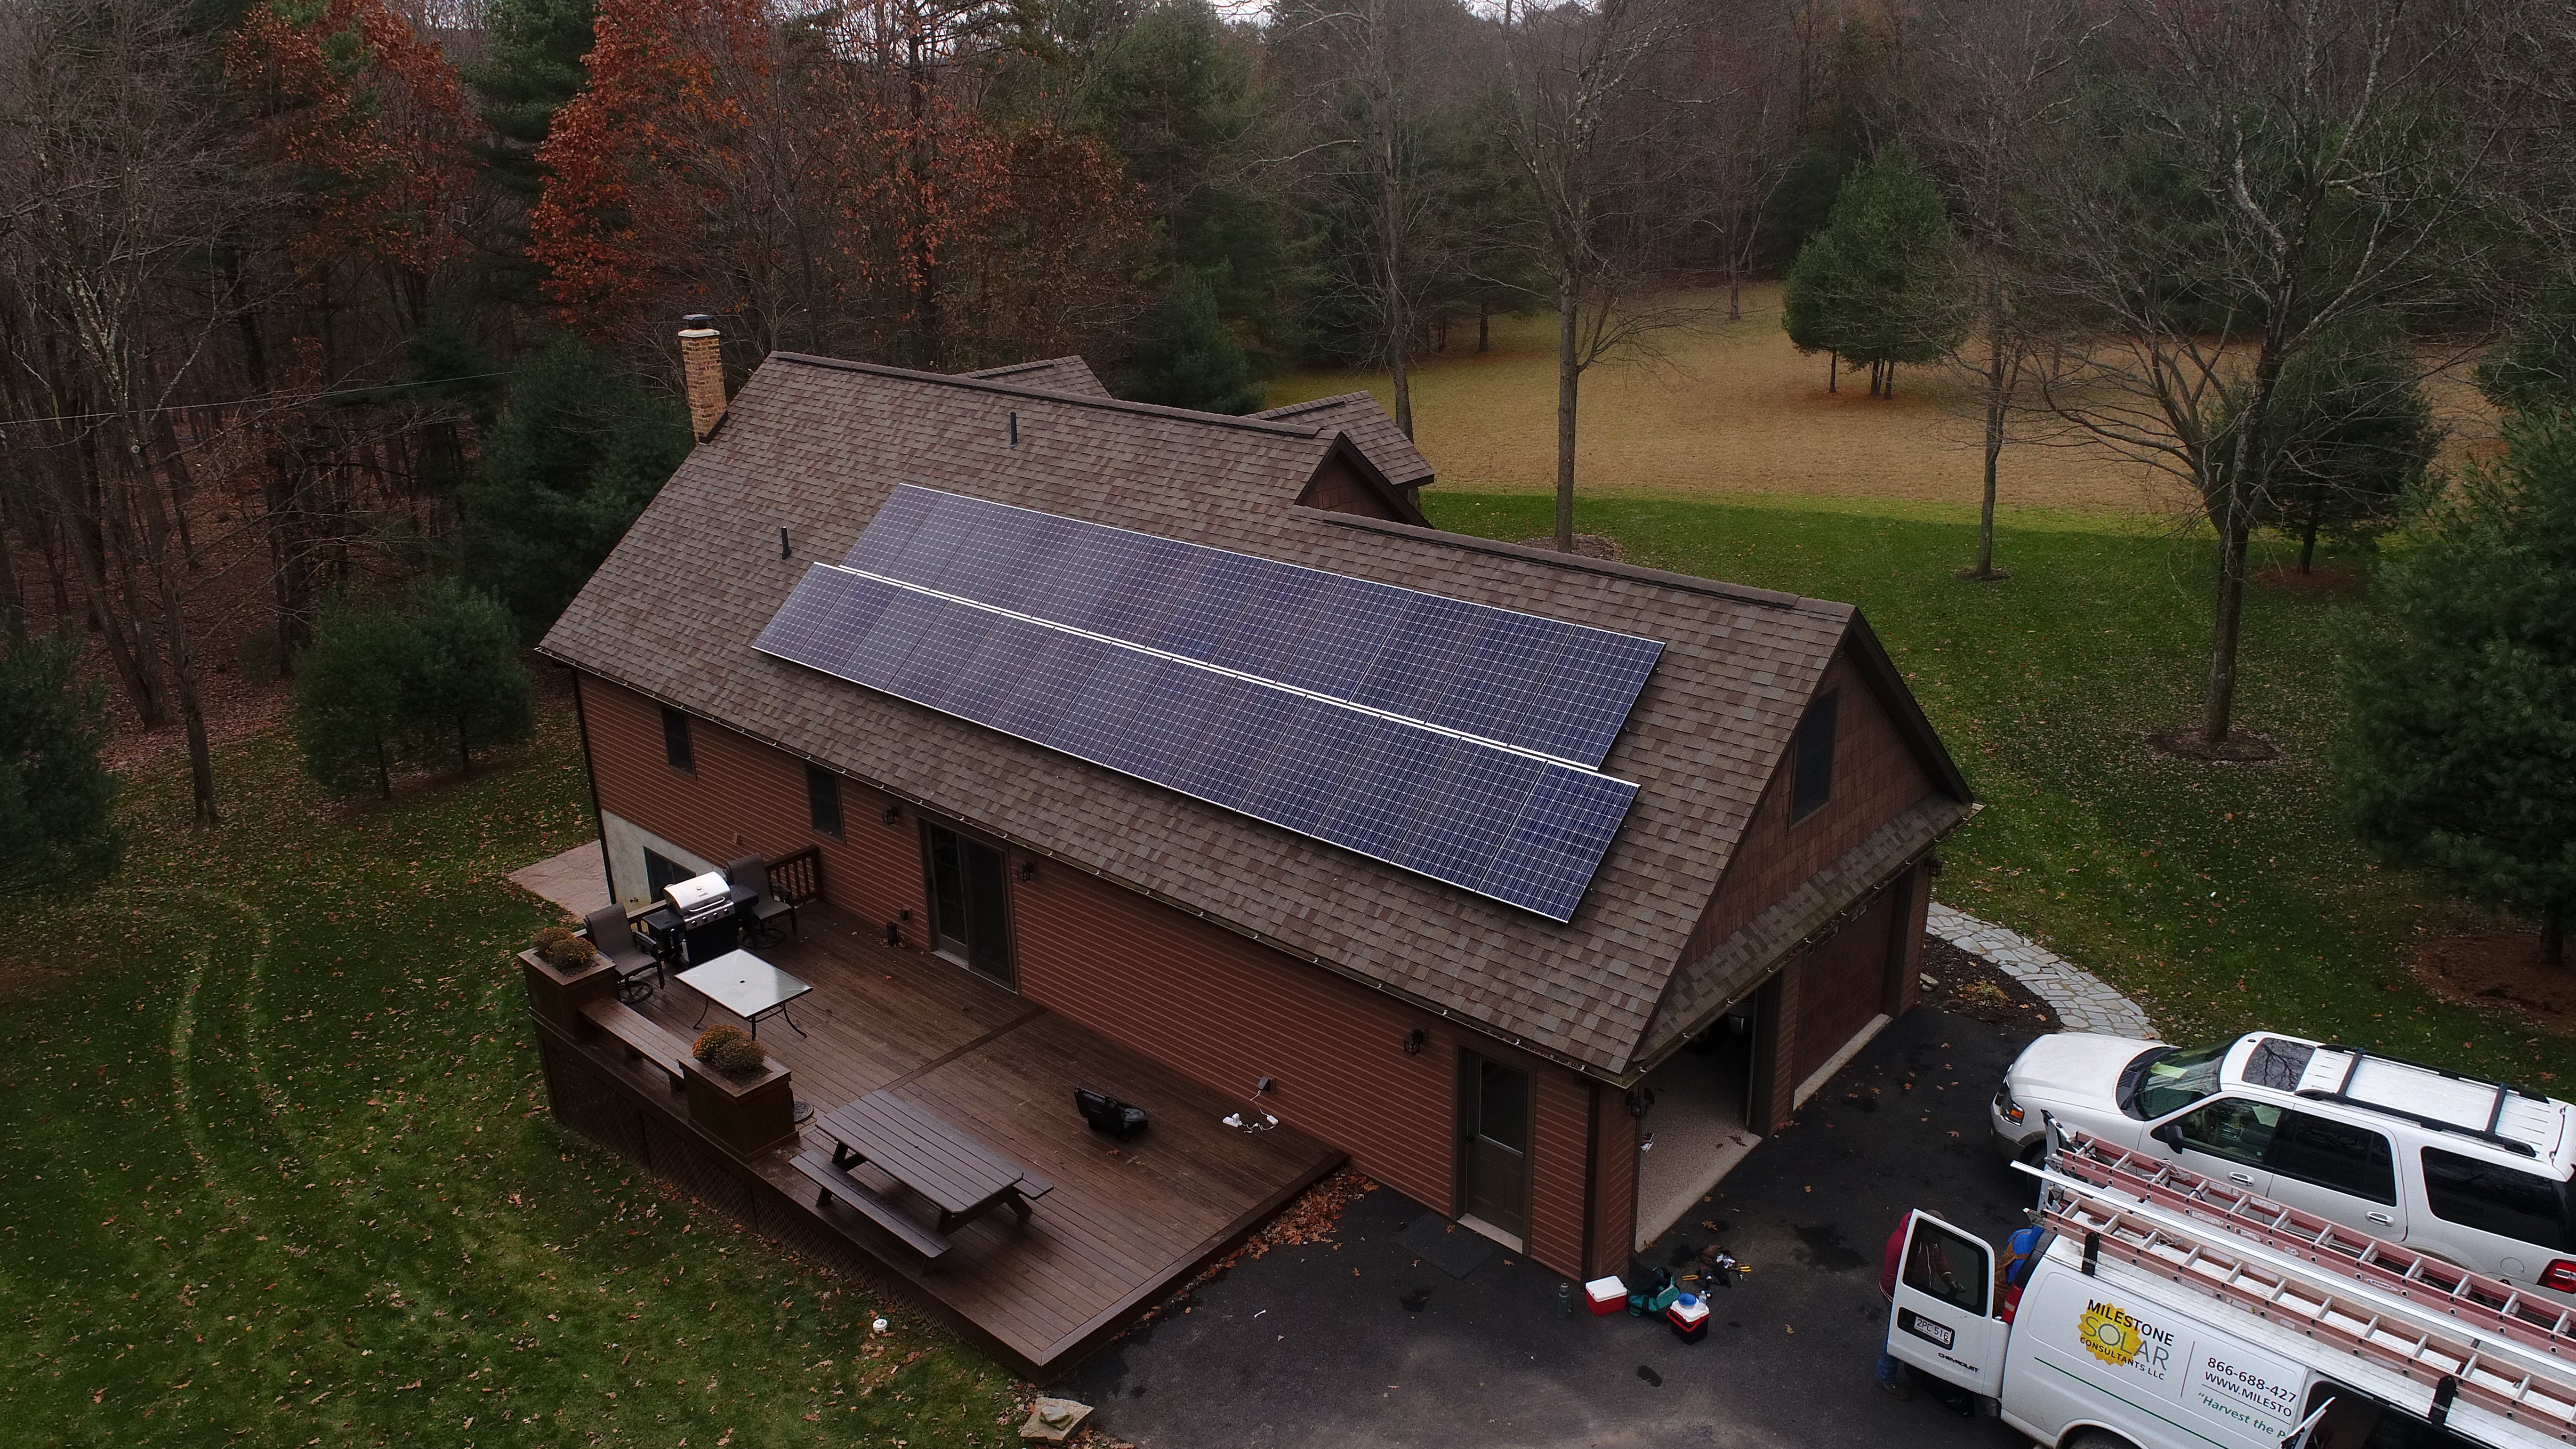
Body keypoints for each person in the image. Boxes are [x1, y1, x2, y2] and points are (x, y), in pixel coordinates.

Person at [1876, 1216, 1910, 1400]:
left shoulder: (1926, 1238)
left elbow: (1938, 1258)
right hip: (1896, 1297)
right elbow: (1891, 1279)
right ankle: (1885, 1378)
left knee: (1901, 1332)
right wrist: (1901, 1301)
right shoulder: (1900, 1244)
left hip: (1907, 1295)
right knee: (1896, 1335)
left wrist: (1947, 1275)